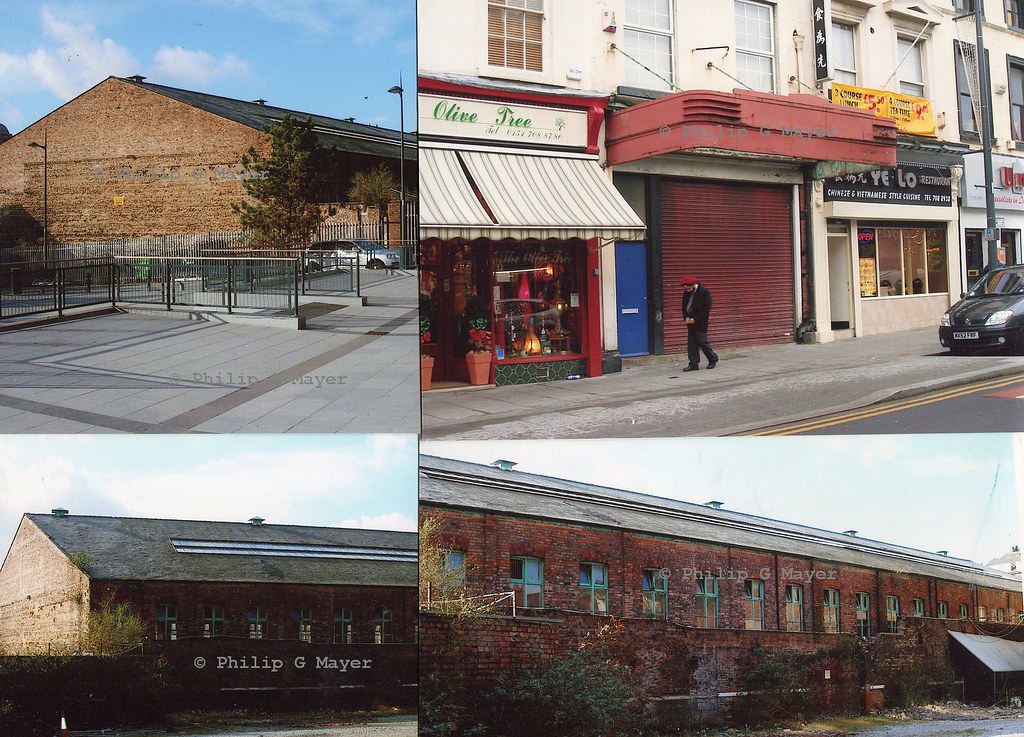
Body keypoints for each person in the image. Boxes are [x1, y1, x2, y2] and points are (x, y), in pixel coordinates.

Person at [680, 275, 718, 371]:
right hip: (690, 322)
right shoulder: (686, 293)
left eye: (688, 288)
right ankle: (693, 363)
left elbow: (706, 308)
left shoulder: (704, 292)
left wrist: (695, 319)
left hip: (701, 322)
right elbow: (684, 306)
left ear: (693, 285)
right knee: (691, 344)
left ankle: (712, 359)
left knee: (702, 342)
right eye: (685, 288)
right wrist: (686, 317)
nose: (686, 290)